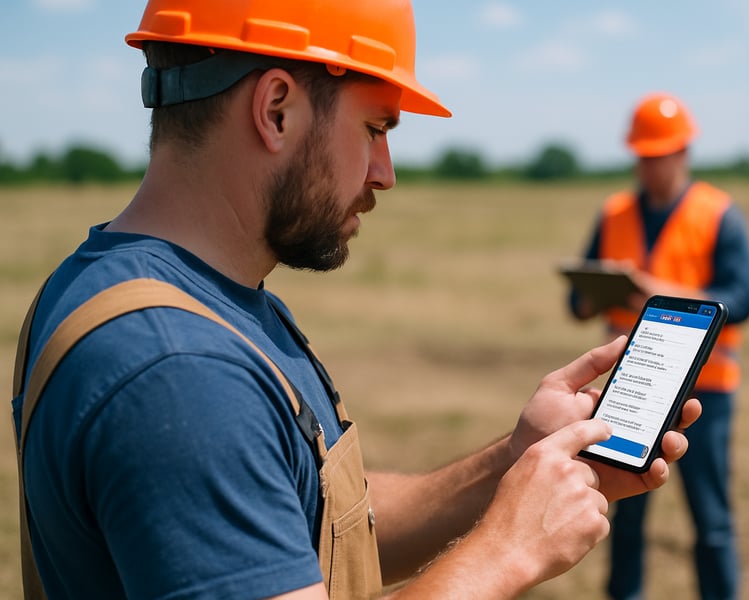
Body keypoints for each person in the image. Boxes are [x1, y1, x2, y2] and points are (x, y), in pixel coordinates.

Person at [10, 3, 702, 600]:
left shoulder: (143, 290)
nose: (387, 173)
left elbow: (295, 520)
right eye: (377, 129)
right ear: (275, 109)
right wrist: (506, 551)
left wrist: (516, 462)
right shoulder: (178, 371)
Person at [568, 92, 749, 600]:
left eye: (660, 154)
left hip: (705, 392)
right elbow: (578, 300)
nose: (650, 166)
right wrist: (592, 295)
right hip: (634, 387)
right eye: (643, 156)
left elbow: (742, 298)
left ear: (683, 152)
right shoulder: (614, 214)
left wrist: (656, 290)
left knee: (711, 519)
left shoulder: (719, 214)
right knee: (624, 516)